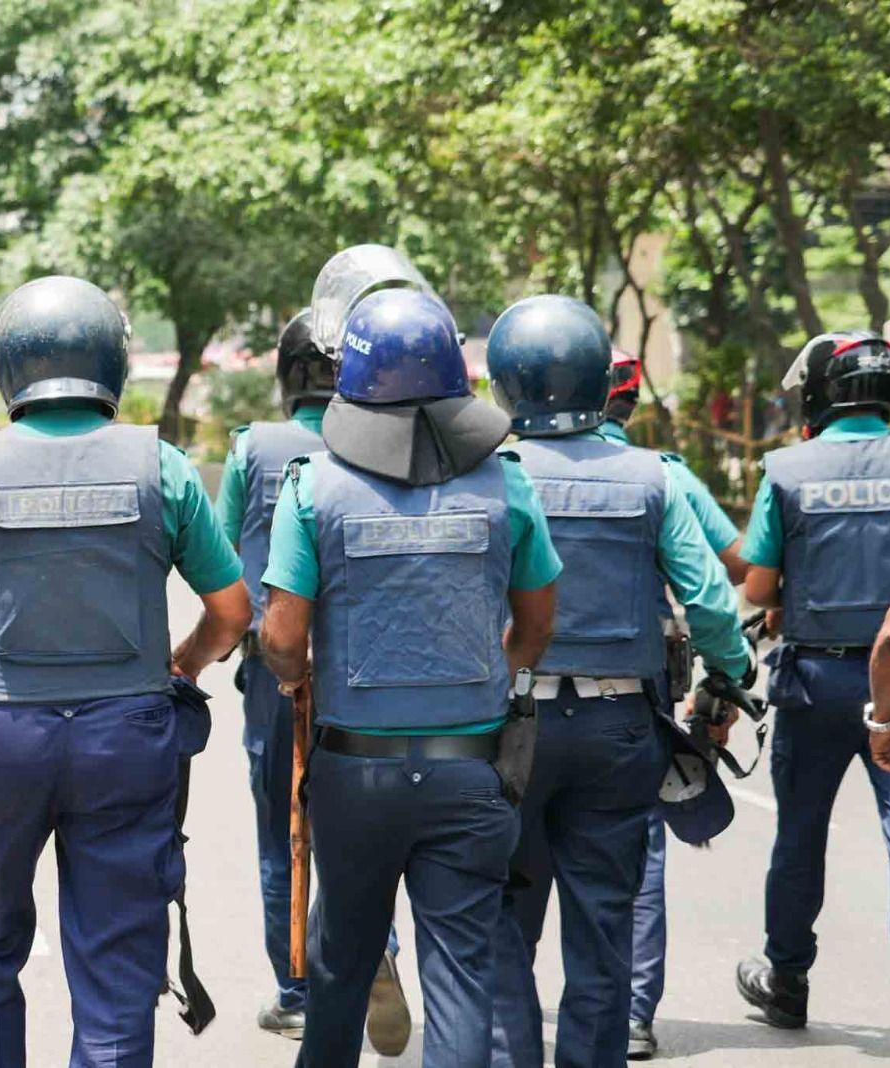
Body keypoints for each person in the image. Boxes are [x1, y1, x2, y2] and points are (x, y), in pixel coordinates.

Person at [0, 275, 251, 1068]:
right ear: (113, 365)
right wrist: (185, 661)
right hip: (127, 740)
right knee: (116, 965)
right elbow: (232, 612)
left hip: (2, 739)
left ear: (8, 368)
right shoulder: (158, 466)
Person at [261, 287, 561, 1068]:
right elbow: (536, 627)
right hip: (472, 771)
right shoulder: (509, 483)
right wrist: (486, 679)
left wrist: (301, 681)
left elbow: (283, 637)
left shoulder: (311, 486)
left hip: (353, 772)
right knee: (462, 972)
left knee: (339, 964)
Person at [486, 297, 752, 1068]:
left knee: (506, 922)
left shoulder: (485, 478)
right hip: (619, 732)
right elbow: (707, 603)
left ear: (505, 384)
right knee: (603, 930)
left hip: (508, 731)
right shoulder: (653, 479)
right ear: (602, 382)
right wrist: (726, 683)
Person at [215, 308, 411, 1051]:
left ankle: (298, 989)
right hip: (373, 669)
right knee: (368, 830)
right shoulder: (393, 444)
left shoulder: (254, 451)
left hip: (279, 668)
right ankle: (379, 947)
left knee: (281, 833)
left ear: (286, 375)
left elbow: (229, 572)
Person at [736, 331, 890, 1062]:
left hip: (813, 682)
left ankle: (786, 981)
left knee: (800, 835)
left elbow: (756, 587)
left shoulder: (786, 468)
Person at [603, 349, 749, 1060]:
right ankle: (630, 1016)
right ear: (631, 403)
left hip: (522, 703)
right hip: (636, 700)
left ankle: (505, 1024)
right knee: (638, 855)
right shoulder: (664, 477)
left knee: (518, 857)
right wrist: (726, 676)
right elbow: (727, 578)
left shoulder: (505, 473)